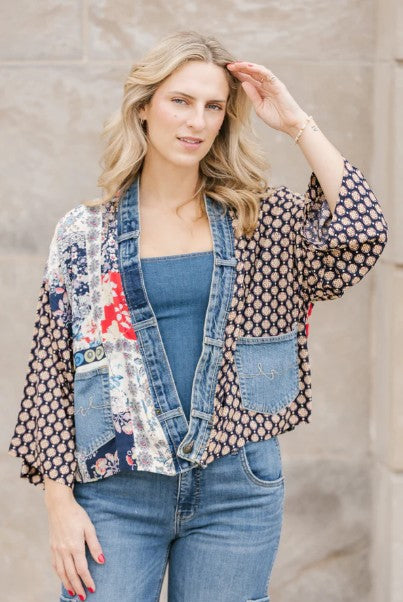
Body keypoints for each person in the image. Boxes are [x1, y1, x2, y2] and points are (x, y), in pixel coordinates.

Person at [7, 30, 388, 602]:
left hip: (237, 486)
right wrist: (59, 505)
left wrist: (295, 122)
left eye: (213, 106)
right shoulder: (84, 233)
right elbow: (50, 373)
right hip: (117, 488)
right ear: (144, 108)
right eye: (180, 101)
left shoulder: (259, 221)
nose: (197, 121)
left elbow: (363, 231)